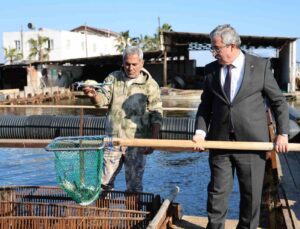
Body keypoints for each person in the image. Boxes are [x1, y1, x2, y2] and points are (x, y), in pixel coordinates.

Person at [193, 24, 289, 229]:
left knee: (251, 196)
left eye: (217, 48)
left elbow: (278, 101)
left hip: (253, 144)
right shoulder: (211, 70)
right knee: (217, 193)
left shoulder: (260, 66)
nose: (214, 53)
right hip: (220, 143)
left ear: (232, 46)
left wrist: (283, 133)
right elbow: (205, 106)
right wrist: (200, 132)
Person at [83, 46, 163, 192]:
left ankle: (133, 214)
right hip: (112, 141)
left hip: (136, 143)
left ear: (142, 63)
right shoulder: (113, 79)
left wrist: (153, 140)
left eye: (134, 64)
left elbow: (156, 113)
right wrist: (93, 95)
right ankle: (102, 212)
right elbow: (102, 100)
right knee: (103, 184)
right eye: (127, 64)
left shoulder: (150, 85)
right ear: (123, 63)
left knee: (134, 186)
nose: (130, 68)